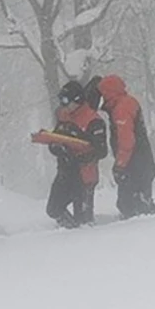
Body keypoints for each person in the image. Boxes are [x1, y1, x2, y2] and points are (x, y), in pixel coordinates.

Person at [45, 80, 107, 228]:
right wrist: (56, 147)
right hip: (65, 172)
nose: (63, 104)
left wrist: (78, 154)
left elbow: (101, 150)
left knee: (84, 220)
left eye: (66, 101)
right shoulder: (63, 116)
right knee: (54, 209)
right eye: (61, 101)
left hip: (85, 175)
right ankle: (70, 231)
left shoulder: (93, 120)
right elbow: (55, 139)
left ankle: (84, 242)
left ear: (77, 100)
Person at [96, 75, 155, 219]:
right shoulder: (128, 103)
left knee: (129, 206)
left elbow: (126, 141)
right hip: (141, 163)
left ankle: (143, 235)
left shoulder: (121, 109)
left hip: (133, 165)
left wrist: (120, 166)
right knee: (141, 201)